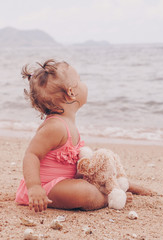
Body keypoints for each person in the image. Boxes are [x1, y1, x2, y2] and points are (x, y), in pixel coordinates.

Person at [15, 59, 152, 212]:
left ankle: (117, 184)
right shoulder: (55, 127)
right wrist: (34, 187)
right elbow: (32, 155)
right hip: (48, 186)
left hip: (68, 181)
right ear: (71, 92)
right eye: (79, 80)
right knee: (84, 192)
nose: (83, 83)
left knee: (96, 167)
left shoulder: (69, 123)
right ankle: (106, 198)